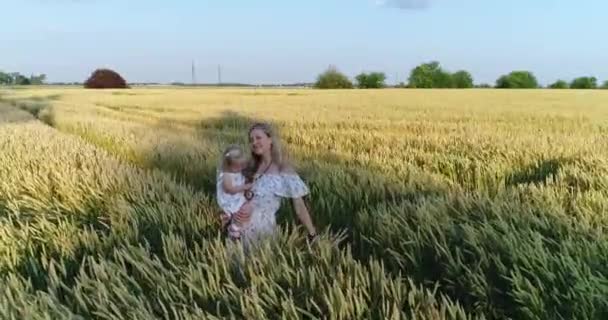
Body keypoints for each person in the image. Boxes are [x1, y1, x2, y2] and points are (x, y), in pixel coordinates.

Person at [222, 122, 317, 251]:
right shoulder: (250, 168)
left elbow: (299, 207)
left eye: (258, 138)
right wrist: (229, 215)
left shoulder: (283, 170)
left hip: (262, 235)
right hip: (237, 231)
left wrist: (312, 235)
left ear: (270, 139)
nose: (254, 142)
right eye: (251, 140)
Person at [216, 144, 253, 241]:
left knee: (246, 210)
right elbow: (229, 189)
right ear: (228, 165)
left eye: (241, 166)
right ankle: (233, 230)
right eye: (236, 167)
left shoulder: (238, 170)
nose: (239, 169)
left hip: (238, 196)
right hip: (230, 198)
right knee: (239, 212)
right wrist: (244, 187)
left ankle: (234, 224)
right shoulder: (226, 174)